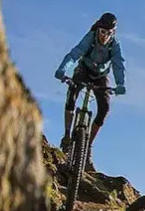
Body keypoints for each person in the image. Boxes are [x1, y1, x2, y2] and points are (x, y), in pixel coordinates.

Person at [54, 12, 127, 170]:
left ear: (113, 33)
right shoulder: (90, 38)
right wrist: (62, 69)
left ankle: (87, 148)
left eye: (108, 33)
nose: (104, 36)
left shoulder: (114, 45)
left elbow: (118, 64)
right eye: (102, 32)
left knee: (105, 107)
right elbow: (75, 54)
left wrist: (120, 83)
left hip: (100, 76)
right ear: (98, 29)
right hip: (84, 71)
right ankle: (67, 136)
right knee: (72, 94)